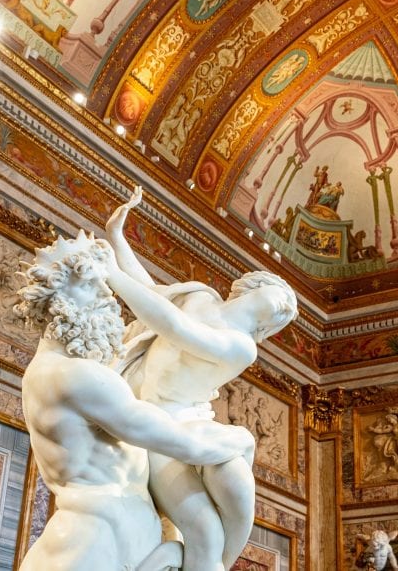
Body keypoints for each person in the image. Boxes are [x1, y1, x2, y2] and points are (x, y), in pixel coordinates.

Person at [14, 231, 254, 570]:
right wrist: (241, 438)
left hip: (116, 538)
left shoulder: (63, 371)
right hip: (90, 544)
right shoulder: (73, 376)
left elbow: (160, 312)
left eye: (104, 287)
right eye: (92, 286)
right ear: (59, 301)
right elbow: (182, 443)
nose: (107, 298)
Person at [105, 187, 298, 571]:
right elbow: (149, 292)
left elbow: (174, 327)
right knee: (204, 531)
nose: (285, 308)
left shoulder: (243, 347)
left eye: (284, 315)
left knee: (229, 497)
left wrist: (107, 270)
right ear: (255, 284)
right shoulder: (201, 296)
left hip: (190, 423)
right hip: (154, 426)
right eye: (283, 297)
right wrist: (116, 237)